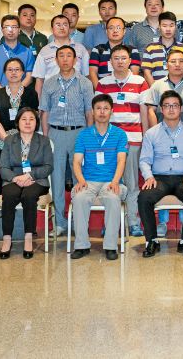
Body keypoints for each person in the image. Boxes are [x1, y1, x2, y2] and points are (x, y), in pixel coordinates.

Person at [138, 90, 183, 258]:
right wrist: (149, 177)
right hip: (159, 179)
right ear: (161, 109)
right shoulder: (152, 133)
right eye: (167, 106)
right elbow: (144, 160)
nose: (171, 109)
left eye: (175, 105)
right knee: (144, 197)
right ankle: (152, 241)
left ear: (181, 108)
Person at [38, 45, 95, 238]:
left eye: (69, 55)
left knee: (80, 178)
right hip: (55, 133)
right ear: (56, 60)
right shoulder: (49, 83)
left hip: (79, 133)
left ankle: (80, 223)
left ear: (75, 60)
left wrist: (89, 136)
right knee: (57, 179)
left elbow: (89, 112)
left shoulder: (84, 83)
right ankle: (60, 224)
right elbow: (45, 112)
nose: (65, 59)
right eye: (61, 56)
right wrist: (46, 138)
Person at [94, 45, 150, 235]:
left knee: (132, 183)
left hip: (133, 140)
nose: (120, 61)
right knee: (109, 183)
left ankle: (133, 223)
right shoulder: (103, 83)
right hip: (109, 142)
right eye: (116, 58)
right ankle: (110, 223)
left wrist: (145, 136)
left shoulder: (140, 81)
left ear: (130, 61)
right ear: (110, 61)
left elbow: (144, 111)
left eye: (124, 58)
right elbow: (98, 113)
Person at [69, 94, 129, 260]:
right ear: (93, 112)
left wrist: (115, 181)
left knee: (112, 198)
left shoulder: (120, 134)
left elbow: (121, 161)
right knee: (79, 198)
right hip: (88, 181)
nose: (102, 112)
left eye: (106, 108)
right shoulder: (83, 135)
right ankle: (81, 246)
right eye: (98, 108)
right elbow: (76, 162)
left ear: (111, 111)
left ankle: (110, 246)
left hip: (111, 181)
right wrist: (81, 180)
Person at [0, 107, 51, 259]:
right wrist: (15, 178)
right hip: (13, 179)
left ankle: (28, 237)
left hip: (37, 180)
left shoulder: (44, 141)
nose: (27, 122)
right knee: (9, 195)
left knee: (29, 196)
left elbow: (48, 167)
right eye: (24, 119)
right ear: (17, 122)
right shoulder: (9, 140)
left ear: (36, 122)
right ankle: (7, 239)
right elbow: (3, 167)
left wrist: (30, 175)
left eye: (31, 119)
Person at [0, 58, 40, 173]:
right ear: (5, 73)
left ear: (22, 72)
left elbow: (34, 119)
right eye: (10, 70)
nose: (13, 73)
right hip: (3, 142)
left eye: (17, 69)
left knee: (26, 175)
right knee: (4, 176)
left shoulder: (31, 93)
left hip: (26, 141)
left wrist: (22, 141)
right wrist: (8, 140)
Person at [143, 49, 183, 128]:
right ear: (166, 65)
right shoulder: (157, 85)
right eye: (173, 61)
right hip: (162, 133)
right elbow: (151, 111)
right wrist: (156, 133)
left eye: (181, 61)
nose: (177, 64)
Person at [31, 14, 91, 94]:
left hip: (77, 96)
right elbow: (39, 80)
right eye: (58, 25)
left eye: (65, 25)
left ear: (69, 28)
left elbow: (87, 76)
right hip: (51, 96)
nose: (62, 28)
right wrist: (38, 101)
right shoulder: (44, 51)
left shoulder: (81, 49)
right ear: (52, 29)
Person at [140, 11, 183, 81]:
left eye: (171, 26)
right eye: (164, 26)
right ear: (159, 27)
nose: (168, 29)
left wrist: (178, 85)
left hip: (178, 87)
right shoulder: (150, 48)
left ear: (175, 27)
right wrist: (155, 87)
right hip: (156, 86)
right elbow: (147, 72)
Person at [89, 17, 142, 81]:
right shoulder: (97, 50)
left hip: (126, 86)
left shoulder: (132, 51)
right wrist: (99, 87)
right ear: (106, 31)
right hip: (103, 86)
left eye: (118, 28)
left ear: (124, 31)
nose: (115, 31)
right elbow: (92, 74)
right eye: (111, 28)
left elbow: (134, 75)